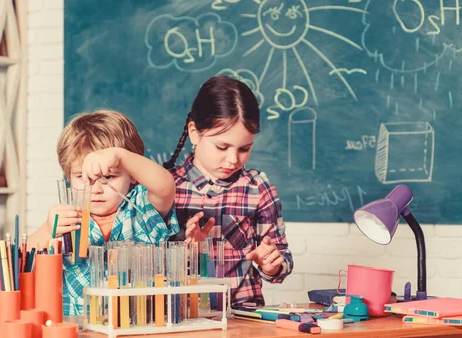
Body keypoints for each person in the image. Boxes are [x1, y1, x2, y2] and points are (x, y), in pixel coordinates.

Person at [29, 110, 179, 316]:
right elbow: (23, 263)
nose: (96, 189)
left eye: (108, 177)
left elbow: (165, 186)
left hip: (137, 327)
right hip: (77, 330)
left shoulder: (141, 208)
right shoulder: (67, 217)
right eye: (81, 176)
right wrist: (48, 229)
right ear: (68, 177)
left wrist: (120, 156)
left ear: (133, 176)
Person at [164, 76, 293, 307]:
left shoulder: (257, 187)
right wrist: (182, 248)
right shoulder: (166, 187)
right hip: (182, 318)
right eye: (222, 147)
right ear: (194, 132)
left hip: (244, 318)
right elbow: (143, 263)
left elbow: (282, 256)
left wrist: (272, 264)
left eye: (245, 148)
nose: (233, 159)